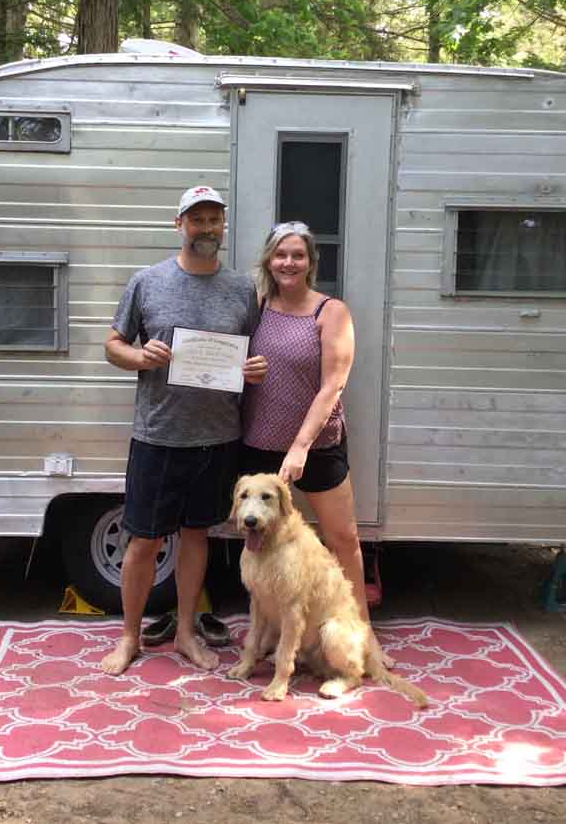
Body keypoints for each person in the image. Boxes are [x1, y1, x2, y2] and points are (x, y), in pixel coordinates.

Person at [101, 185, 267, 675]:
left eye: (215, 219)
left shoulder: (241, 289)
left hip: (218, 437)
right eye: (197, 220)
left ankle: (184, 634)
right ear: (180, 225)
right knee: (144, 542)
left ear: (223, 226)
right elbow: (112, 344)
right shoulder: (147, 282)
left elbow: (251, 353)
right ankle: (129, 637)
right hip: (158, 436)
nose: (207, 228)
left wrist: (254, 369)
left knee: (198, 537)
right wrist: (138, 356)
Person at [239, 221, 392, 666]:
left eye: (298, 255)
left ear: (311, 262)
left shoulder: (331, 312)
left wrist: (301, 447)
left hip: (317, 445)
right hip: (260, 443)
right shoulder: (258, 307)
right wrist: (243, 372)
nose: (289, 262)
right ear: (269, 259)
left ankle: (364, 636)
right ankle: (268, 633)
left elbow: (332, 386)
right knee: (266, 542)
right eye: (281, 254)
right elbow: (235, 361)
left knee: (343, 539)